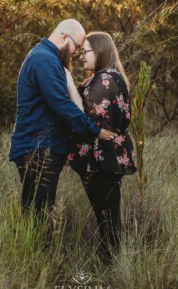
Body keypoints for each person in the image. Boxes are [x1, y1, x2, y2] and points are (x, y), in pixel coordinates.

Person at [9, 20, 117, 219]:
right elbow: (61, 105)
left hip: (41, 148)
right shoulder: (44, 59)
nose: (76, 53)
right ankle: (32, 250)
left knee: (38, 212)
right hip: (38, 149)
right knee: (37, 215)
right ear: (64, 36)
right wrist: (94, 130)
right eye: (76, 47)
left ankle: (34, 249)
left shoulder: (46, 58)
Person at [65, 31, 137, 260]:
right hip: (102, 156)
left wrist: (66, 80)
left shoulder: (106, 79)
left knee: (107, 215)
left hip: (103, 157)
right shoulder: (102, 77)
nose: (81, 57)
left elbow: (82, 113)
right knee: (106, 214)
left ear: (100, 51)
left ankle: (111, 264)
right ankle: (111, 261)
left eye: (85, 52)